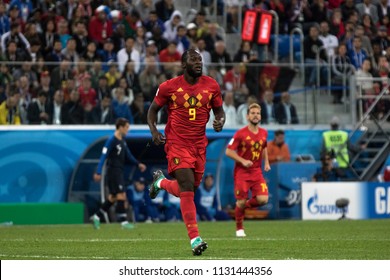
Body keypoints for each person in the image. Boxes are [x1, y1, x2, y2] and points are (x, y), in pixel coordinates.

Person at [147, 48, 225, 255]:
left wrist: (220, 121)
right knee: (187, 185)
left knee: (188, 189)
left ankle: (160, 182)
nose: (198, 62)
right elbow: (152, 110)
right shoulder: (169, 87)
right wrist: (154, 131)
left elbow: (219, 111)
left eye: (200, 59)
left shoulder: (212, 85)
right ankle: (195, 238)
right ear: (184, 65)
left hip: (199, 145)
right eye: (193, 60)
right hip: (176, 143)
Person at [91, 118, 147, 229]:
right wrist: (98, 171)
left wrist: (138, 164)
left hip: (119, 171)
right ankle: (123, 222)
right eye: (126, 128)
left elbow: (128, 155)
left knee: (112, 197)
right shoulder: (111, 140)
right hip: (113, 172)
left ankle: (97, 216)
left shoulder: (122, 141)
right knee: (122, 195)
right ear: (120, 127)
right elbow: (103, 156)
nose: (127, 130)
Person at [225, 103, 271, 238]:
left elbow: (264, 147)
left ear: (260, 116)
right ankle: (239, 228)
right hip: (242, 173)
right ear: (247, 116)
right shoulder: (240, 133)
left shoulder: (264, 132)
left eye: (258, 113)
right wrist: (243, 161)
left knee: (263, 199)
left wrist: (266, 162)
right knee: (241, 201)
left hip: (256, 171)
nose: (255, 115)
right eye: (253, 113)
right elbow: (228, 151)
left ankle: (242, 207)